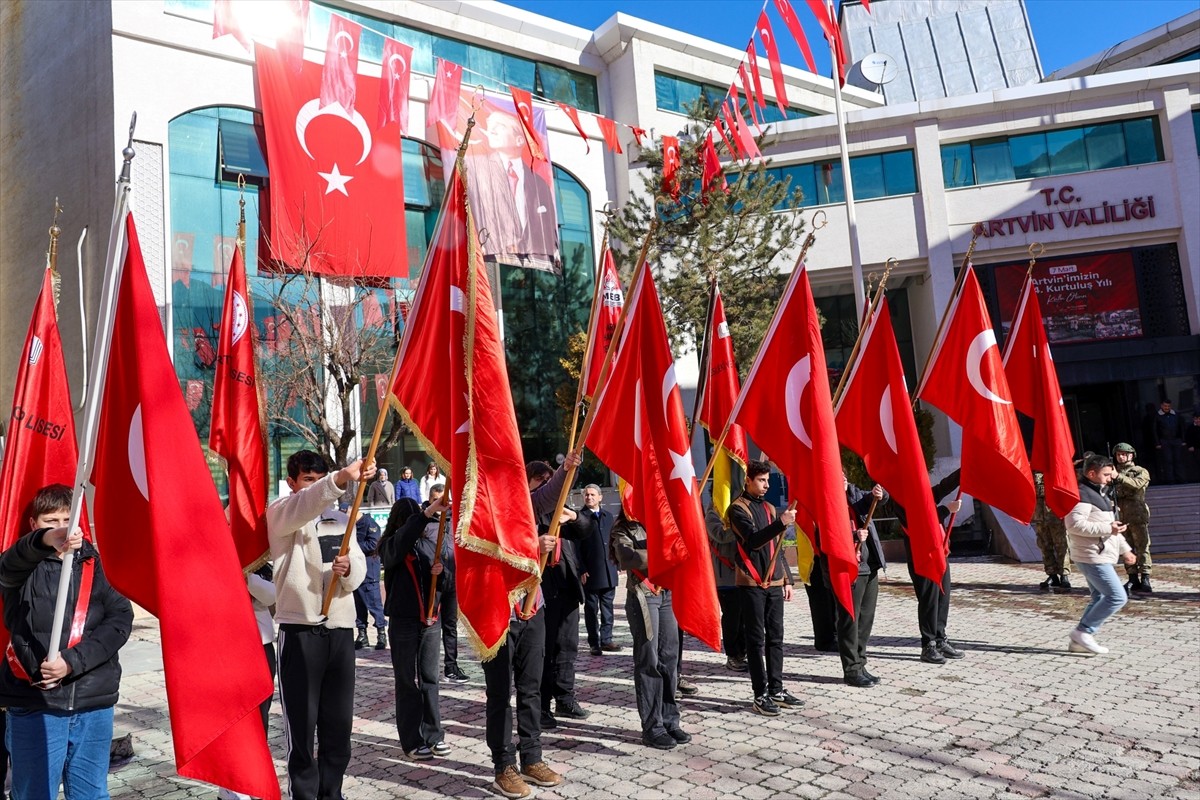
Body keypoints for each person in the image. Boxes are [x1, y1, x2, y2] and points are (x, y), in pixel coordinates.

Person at [1, 484, 133, 798]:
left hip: (93, 703)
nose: (61, 528)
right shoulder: (20, 566)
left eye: (66, 520)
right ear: (34, 525)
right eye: (51, 521)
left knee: (91, 794)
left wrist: (71, 662)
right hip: (35, 705)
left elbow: (119, 621)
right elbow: (9, 565)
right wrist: (46, 542)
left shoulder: (97, 563)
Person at [267, 450, 371, 800]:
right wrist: (339, 479)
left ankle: (333, 793)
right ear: (292, 483)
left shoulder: (343, 519)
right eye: (308, 480)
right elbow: (308, 504)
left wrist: (349, 570)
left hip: (340, 631)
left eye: (319, 478)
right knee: (302, 728)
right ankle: (304, 795)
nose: (315, 487)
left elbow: (359, 566)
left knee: (338, 728)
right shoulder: (282, 514)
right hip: (299, 633)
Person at [481, 452, 580, 800]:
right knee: (499, 694)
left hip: (531, 609)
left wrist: (565, 469)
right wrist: (532, 548)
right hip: (496, 614)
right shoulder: (480, 510)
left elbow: (544, 498)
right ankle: (502, 765)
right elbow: (487, 553)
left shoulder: (522, 504)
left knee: (532, 688)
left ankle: (532, 758)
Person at [610, 514, 691, 750]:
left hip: (666, 591)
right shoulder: (622, 529)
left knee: (669, 657)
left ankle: (669, 719)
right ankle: (652, 726)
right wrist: (663, 555)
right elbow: (627, 558)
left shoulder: (662, 518)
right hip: (643, 594)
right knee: (649, 659)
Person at [379, 496, 450, 761]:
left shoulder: (429, 545)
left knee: (430, 678)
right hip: (404, 622)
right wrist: (423, 515)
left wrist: (441, 573)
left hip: (431, 620)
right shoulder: (390, 545)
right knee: (407, 681)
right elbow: (398, 546)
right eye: (411, 519)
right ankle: (411, 739)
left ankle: (434, 735)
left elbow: (447, 584)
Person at [727, 460, 800, 717]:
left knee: (776, 637)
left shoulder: (769, 507)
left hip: (774, 581)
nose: (766, 485)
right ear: (747, 480)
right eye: (761, 480)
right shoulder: (737, 508)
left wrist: (788, 579)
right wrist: (781, 523)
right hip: (751, 581)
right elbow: (755, 541)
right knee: (756, 640)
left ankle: (777, 689)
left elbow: (778, 547)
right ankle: (760, 694)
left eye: (768, 481)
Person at [219, 562, 279, 800]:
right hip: (228, 646)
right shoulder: (213, 562)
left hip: (261, 645)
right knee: (233, 717)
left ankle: (254, 777)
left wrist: (246, 576)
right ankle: (231, 783)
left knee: (259, 716)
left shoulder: (261, 566)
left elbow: (273, 595)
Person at [467, 112, 559, 266]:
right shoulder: (475, 167)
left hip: (530, 269)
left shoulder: (539, 184)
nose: (492, 131)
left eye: (500, 127)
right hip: (487, 262)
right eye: (490, 127)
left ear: (519, 139)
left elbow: (548, 232)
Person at [1066, 455, 1135, 655]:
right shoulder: (1083, 494)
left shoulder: (1101, 493)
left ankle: (1078, 642)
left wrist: (1126, 550)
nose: (1110, 477)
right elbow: (1074, 525)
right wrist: (1108, 528)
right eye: (1106, 474)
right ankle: (1084, 632)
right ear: (1091, 474)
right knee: (1116, 596)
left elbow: (1112, 528)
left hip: (1098, 554)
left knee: (1098, 598)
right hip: (1091, 556)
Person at [900, 471, 965, 666]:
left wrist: (963, 473)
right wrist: (947, 509)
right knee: (929, 599)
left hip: (938, 552)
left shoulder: (921, 492)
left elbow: (942, 488)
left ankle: (940, 638)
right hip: (921, 557)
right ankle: (928, 644)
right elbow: (919, 518)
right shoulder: (900, 497)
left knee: (943, 596)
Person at [837, 479, 887, 688]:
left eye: (845, 477)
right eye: (838, 477)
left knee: (865, 620)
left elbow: (872, 500)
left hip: (870, 566)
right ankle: (851, 669)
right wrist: (853, 535)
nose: (844, 480)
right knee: (851, 621)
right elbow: (827, 536)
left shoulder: (855, 496)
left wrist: (880, 493)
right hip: (849, 569)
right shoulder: (830, 503)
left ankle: (861, 663)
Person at [424, 484, 468, 683]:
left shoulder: (457, 522)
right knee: (429, 624)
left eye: (445, 500)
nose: (441, 503)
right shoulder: (424, 522)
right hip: (433, 582)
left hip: (453, 582)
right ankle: (426, 666)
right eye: (436, 499)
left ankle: (451, 666)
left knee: (450, 626)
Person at [578, 484, 620, 656]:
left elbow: (614, 541)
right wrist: (581, 568)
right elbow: (576, 547)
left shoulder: (608, 516)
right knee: (591, 608)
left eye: (593, 494)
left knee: (608, 607)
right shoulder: (579, 518)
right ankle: (594, 642)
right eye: (587, 495)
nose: (589, 497)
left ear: (600, 497)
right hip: (591, 572)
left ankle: (606, 640)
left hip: (609, 569)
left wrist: (617, 562)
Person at [705, 502, 747, 672]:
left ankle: (743, 653)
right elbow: (720, 535)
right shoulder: (714, 512)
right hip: (726, 577)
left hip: (745, 574)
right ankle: (732, 655)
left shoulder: (743, 507)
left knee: (746, 618)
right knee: (732, 618)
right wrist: (744, 528)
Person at [1110, 443, 1153, 594]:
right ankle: (1132, 576)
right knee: (1126, 548)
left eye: (1124, 454)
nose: (1121, 457)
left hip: (1137, 513)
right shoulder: (1111, 473)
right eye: (1118, 454)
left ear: (1131, 455)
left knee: (1142, 546)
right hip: (1120, 515)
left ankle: (1146, 576)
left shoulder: (1140, 471)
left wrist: (1119, 477)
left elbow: (1137, 484)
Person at [352, 505, 388, 650]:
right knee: (358, 605)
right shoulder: (352, 526)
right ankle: (362, 635)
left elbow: (374, 544)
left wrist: (353, 546)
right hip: (356, 571)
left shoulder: (370, 524)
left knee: (374, 605)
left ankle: (381, 634)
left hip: (369, 572)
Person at [1033, 471, 1073, 593]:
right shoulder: (1031, 472)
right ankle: (1052, 574)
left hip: (1055, 515)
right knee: (1044, 546)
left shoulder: (1055, 470)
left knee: (1061, 545)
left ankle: (1064, 574)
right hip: (1040, 516)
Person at [1152, 400, 1183, 484]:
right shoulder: (1157, 416)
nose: (1167, 408)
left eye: (1168, 406)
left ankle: (1180, 478)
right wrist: (1157, 443)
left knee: (1178, 460)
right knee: (1168, 460)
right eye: (1165, 406)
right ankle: (1170, 479)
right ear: (1161, 406)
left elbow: (1181, 427)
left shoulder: (1175, 415)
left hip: (1176, 440)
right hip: (1164, 440)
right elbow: (1154, 430)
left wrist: (1182, 440)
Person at [1187, 414, 1200, 480]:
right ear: (1193, 419)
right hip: (1196, 448)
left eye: (1199, 419)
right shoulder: (1191, 427)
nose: (1198, 420)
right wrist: (1190, 446)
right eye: (1196, 419)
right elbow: (1189, 438)